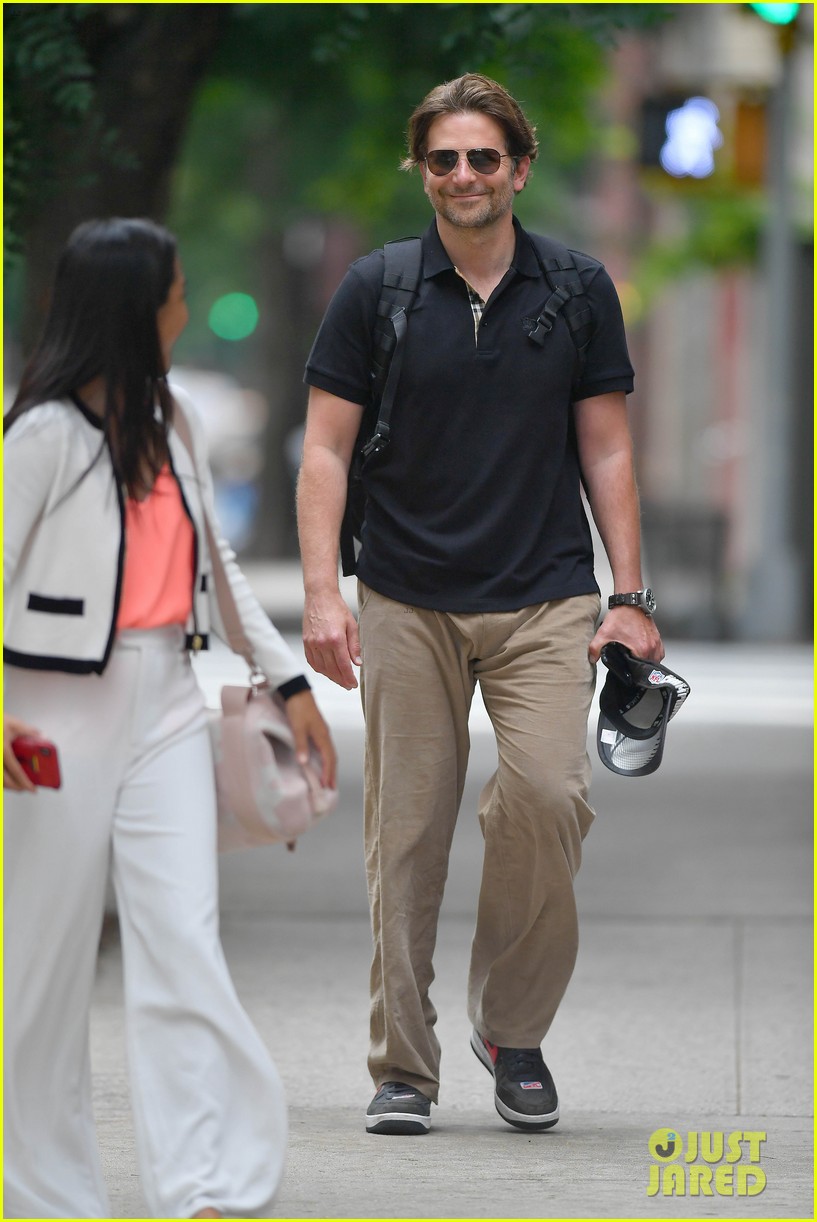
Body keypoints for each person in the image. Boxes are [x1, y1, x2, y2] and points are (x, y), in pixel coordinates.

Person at [297, 73, 663, 1137]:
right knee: (404, 837)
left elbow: (606, 444)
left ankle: (512, 1030)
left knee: (546, 798)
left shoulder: (579, 286)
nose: (464, 175)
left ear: (520, 167)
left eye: (483, 157)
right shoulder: (377, 288)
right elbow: (323, 447)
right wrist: (324, 592)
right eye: (445, 158)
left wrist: (629, 596)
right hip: (407, 594)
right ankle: (403, 1067)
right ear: (422, 170)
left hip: (546, 594)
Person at [3, 217, 336, 1217]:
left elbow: (217, 568)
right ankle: (47, 1191)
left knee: (183, 941)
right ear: (132, 310)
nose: (187, 308)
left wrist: (287, 682)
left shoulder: (173, 421)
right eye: (175, 293)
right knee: (42, 961)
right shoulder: (43, 435)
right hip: (47, 715)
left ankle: (196, 1184)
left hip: (167, 702)